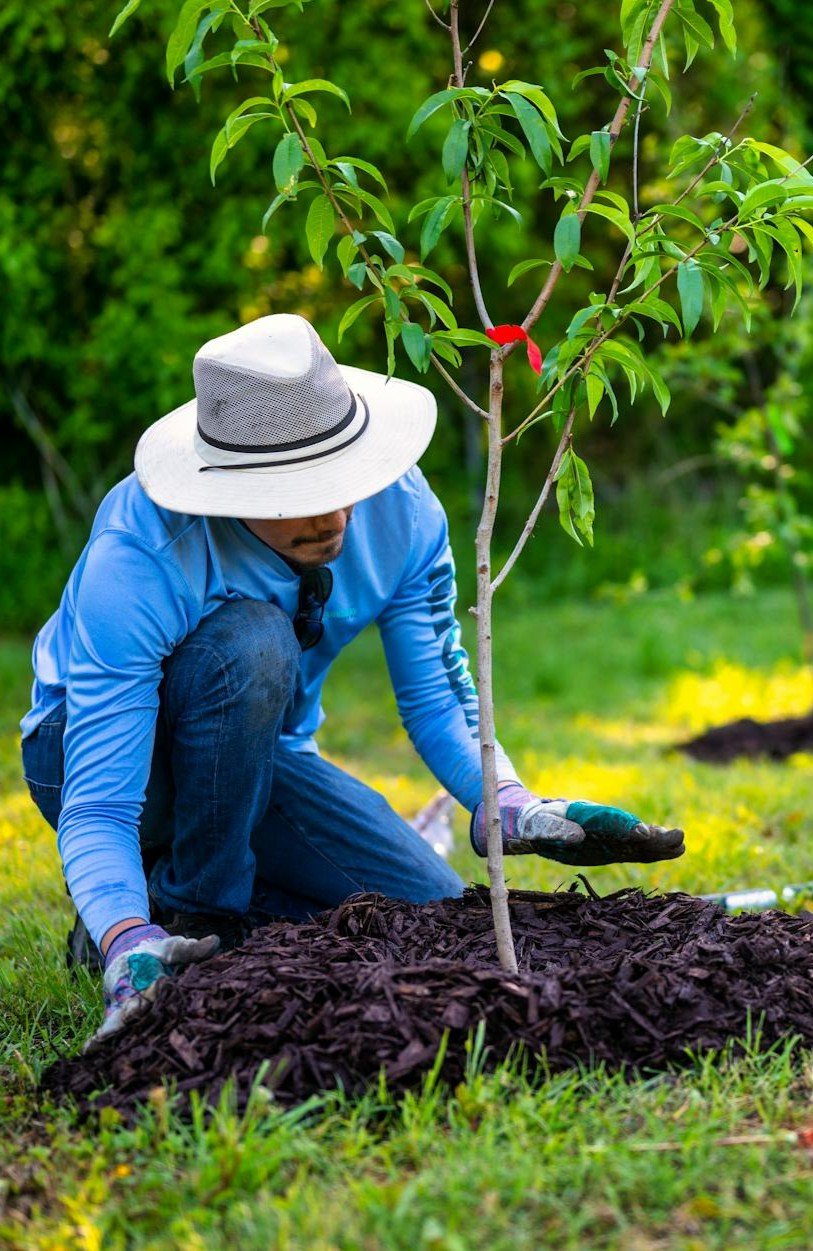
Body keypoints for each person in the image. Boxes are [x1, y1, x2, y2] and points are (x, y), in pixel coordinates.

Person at [20, 314, 684, 1043]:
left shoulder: (401, 512)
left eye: (344, 478)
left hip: (259, 759)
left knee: (426, 909)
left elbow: (437, 693)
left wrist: (508, 802)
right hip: (94, 755)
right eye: (295, 490)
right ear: (229, 489)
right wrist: (125, 938)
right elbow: (100, 804)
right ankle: (174, 918)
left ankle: (173, 905)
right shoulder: (144, 554)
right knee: (253, 640)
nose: (335, 512)